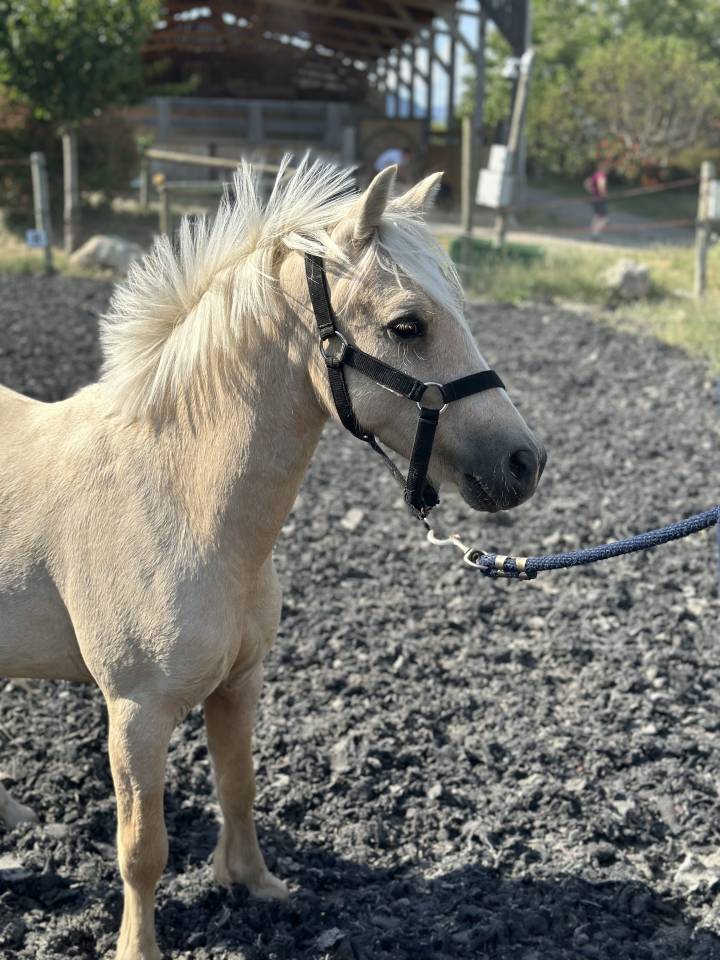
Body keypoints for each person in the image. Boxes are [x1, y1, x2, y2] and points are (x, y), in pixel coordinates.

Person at [584, 163, 609, 240]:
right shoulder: (601, 175)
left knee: (596, 216)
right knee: (604, 218)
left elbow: (586, 183)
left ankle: (593, 234)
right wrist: (604, 195)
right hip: (599, 199)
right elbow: (601, 186)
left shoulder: (596, 174)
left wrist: (592, 191)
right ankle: (595, 234)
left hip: (594, 198)